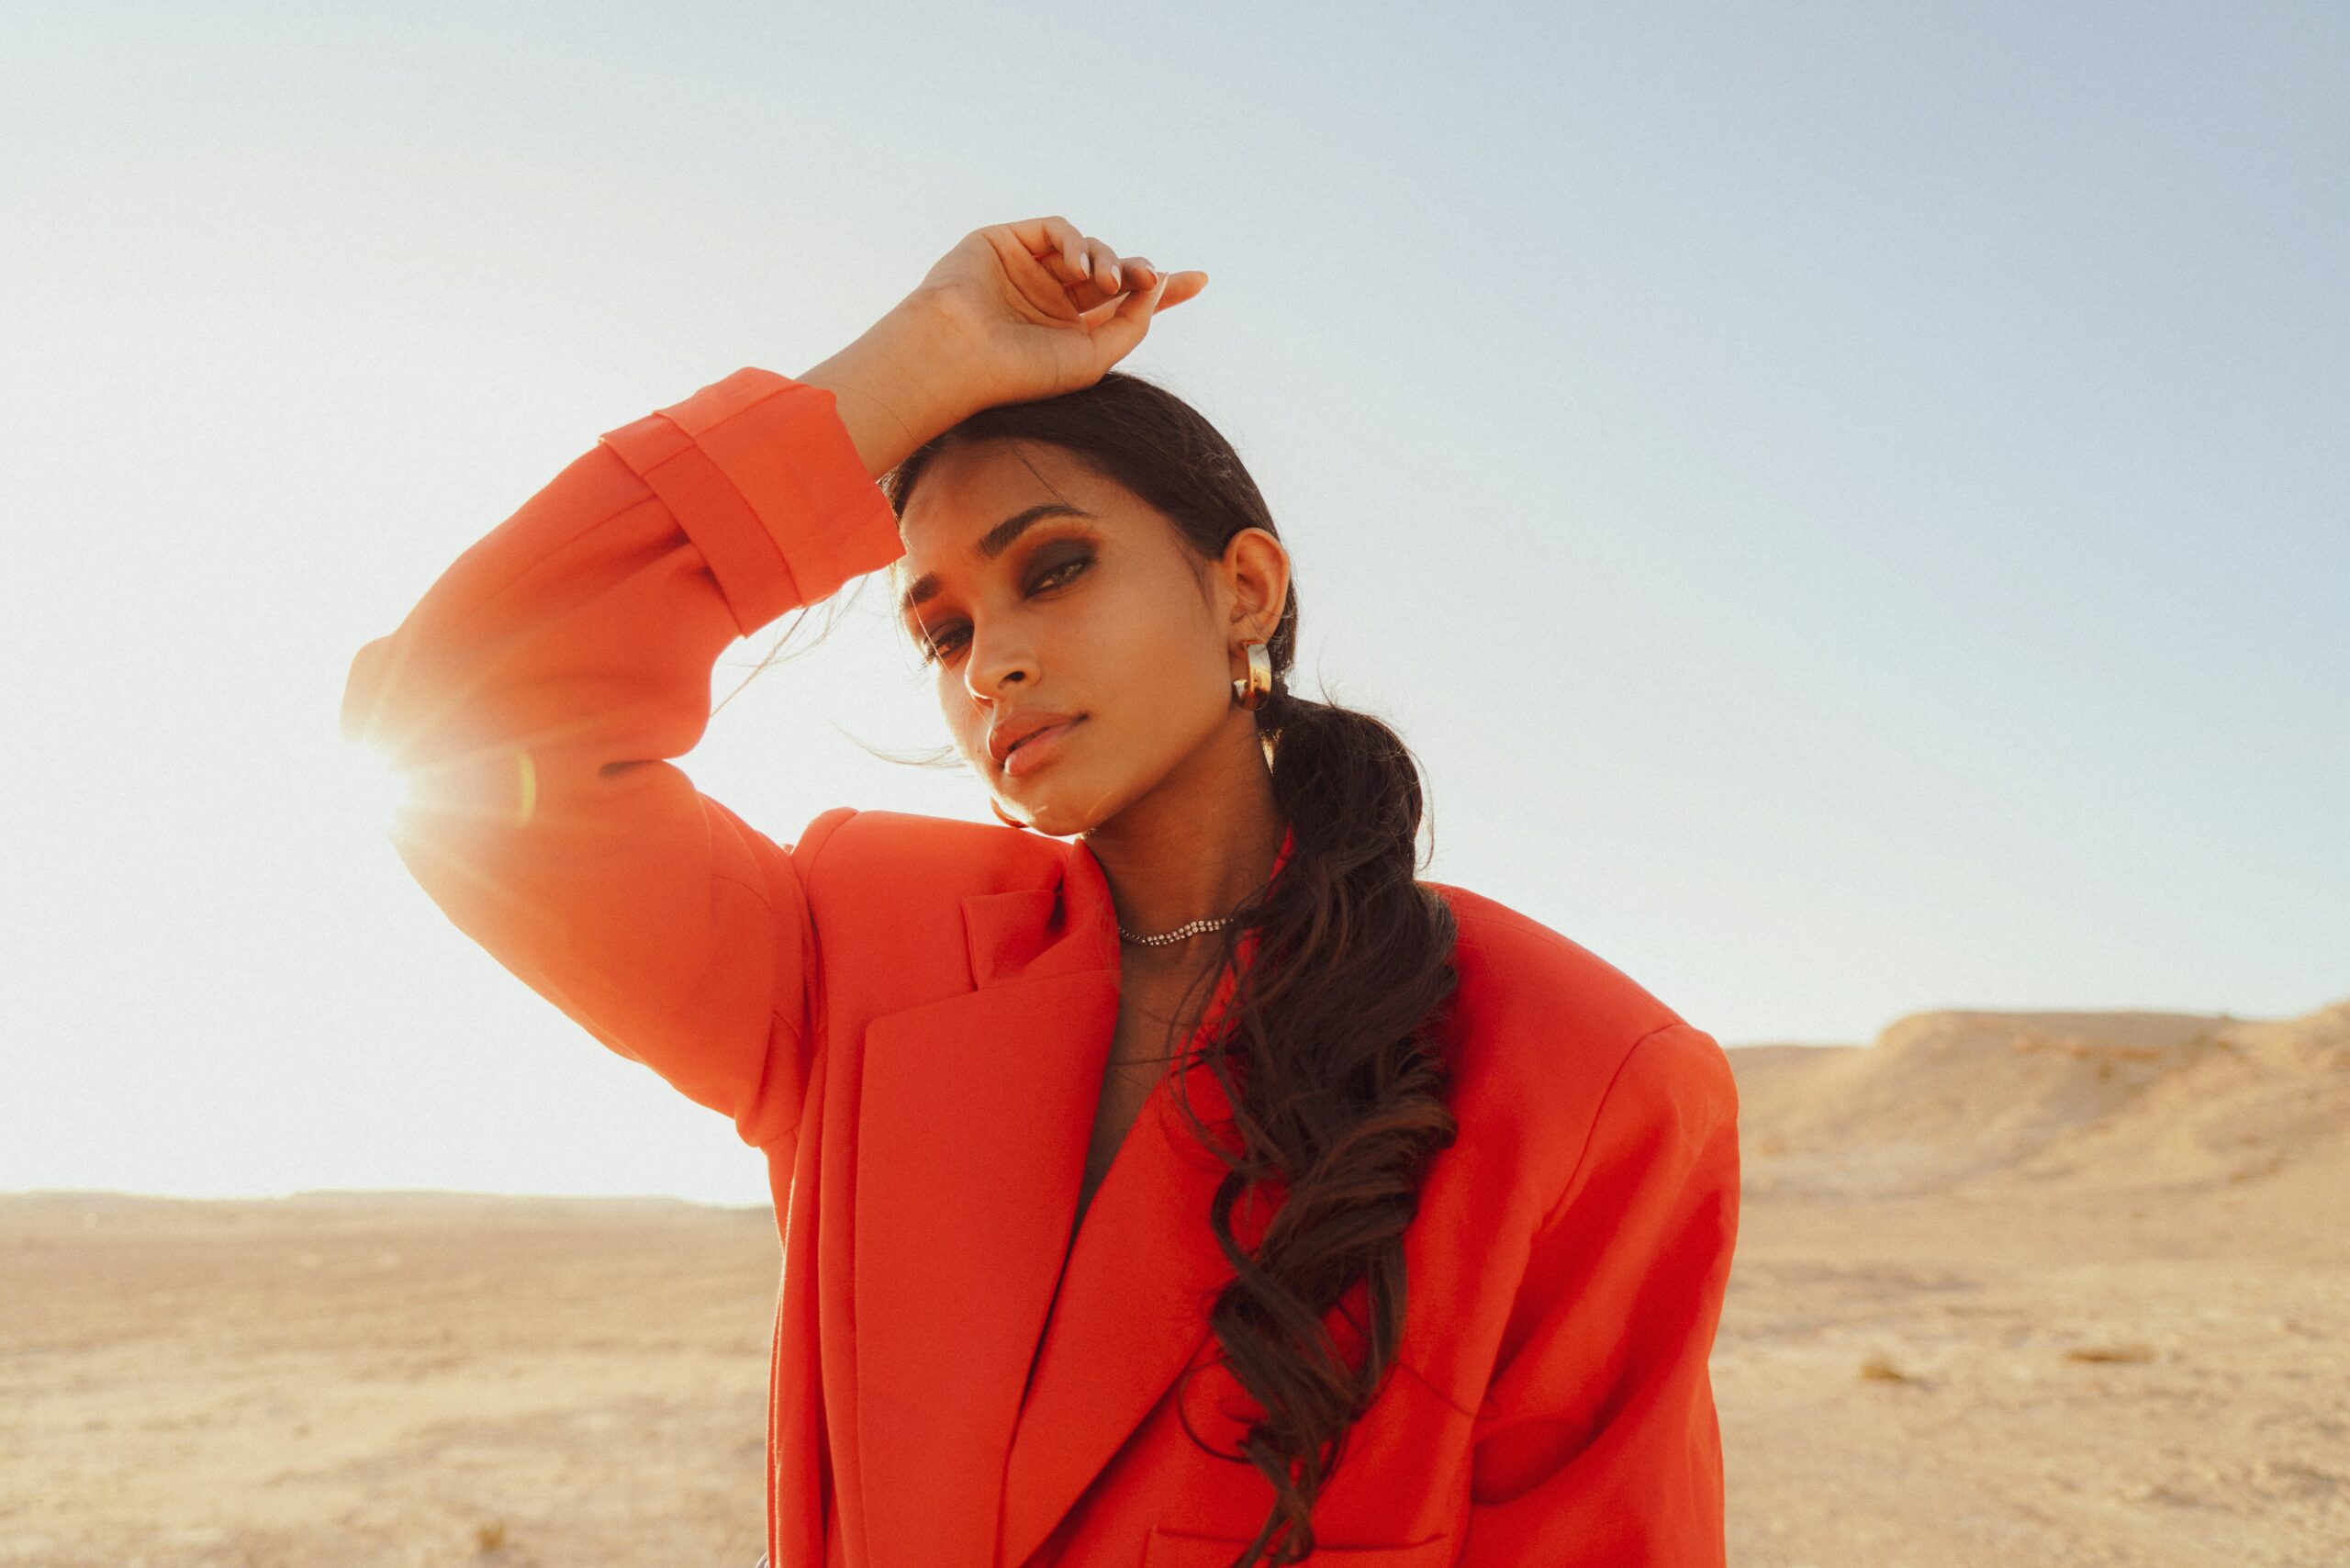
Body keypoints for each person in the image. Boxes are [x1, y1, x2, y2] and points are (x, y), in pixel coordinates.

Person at [341, 217, 1741, 1568]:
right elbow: (464, 725)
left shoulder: (1587, 1076)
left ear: (1244, 587)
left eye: (1053, 570)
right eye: (941, 629)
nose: (988, 663)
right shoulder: (855, 956)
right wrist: (918, 362)